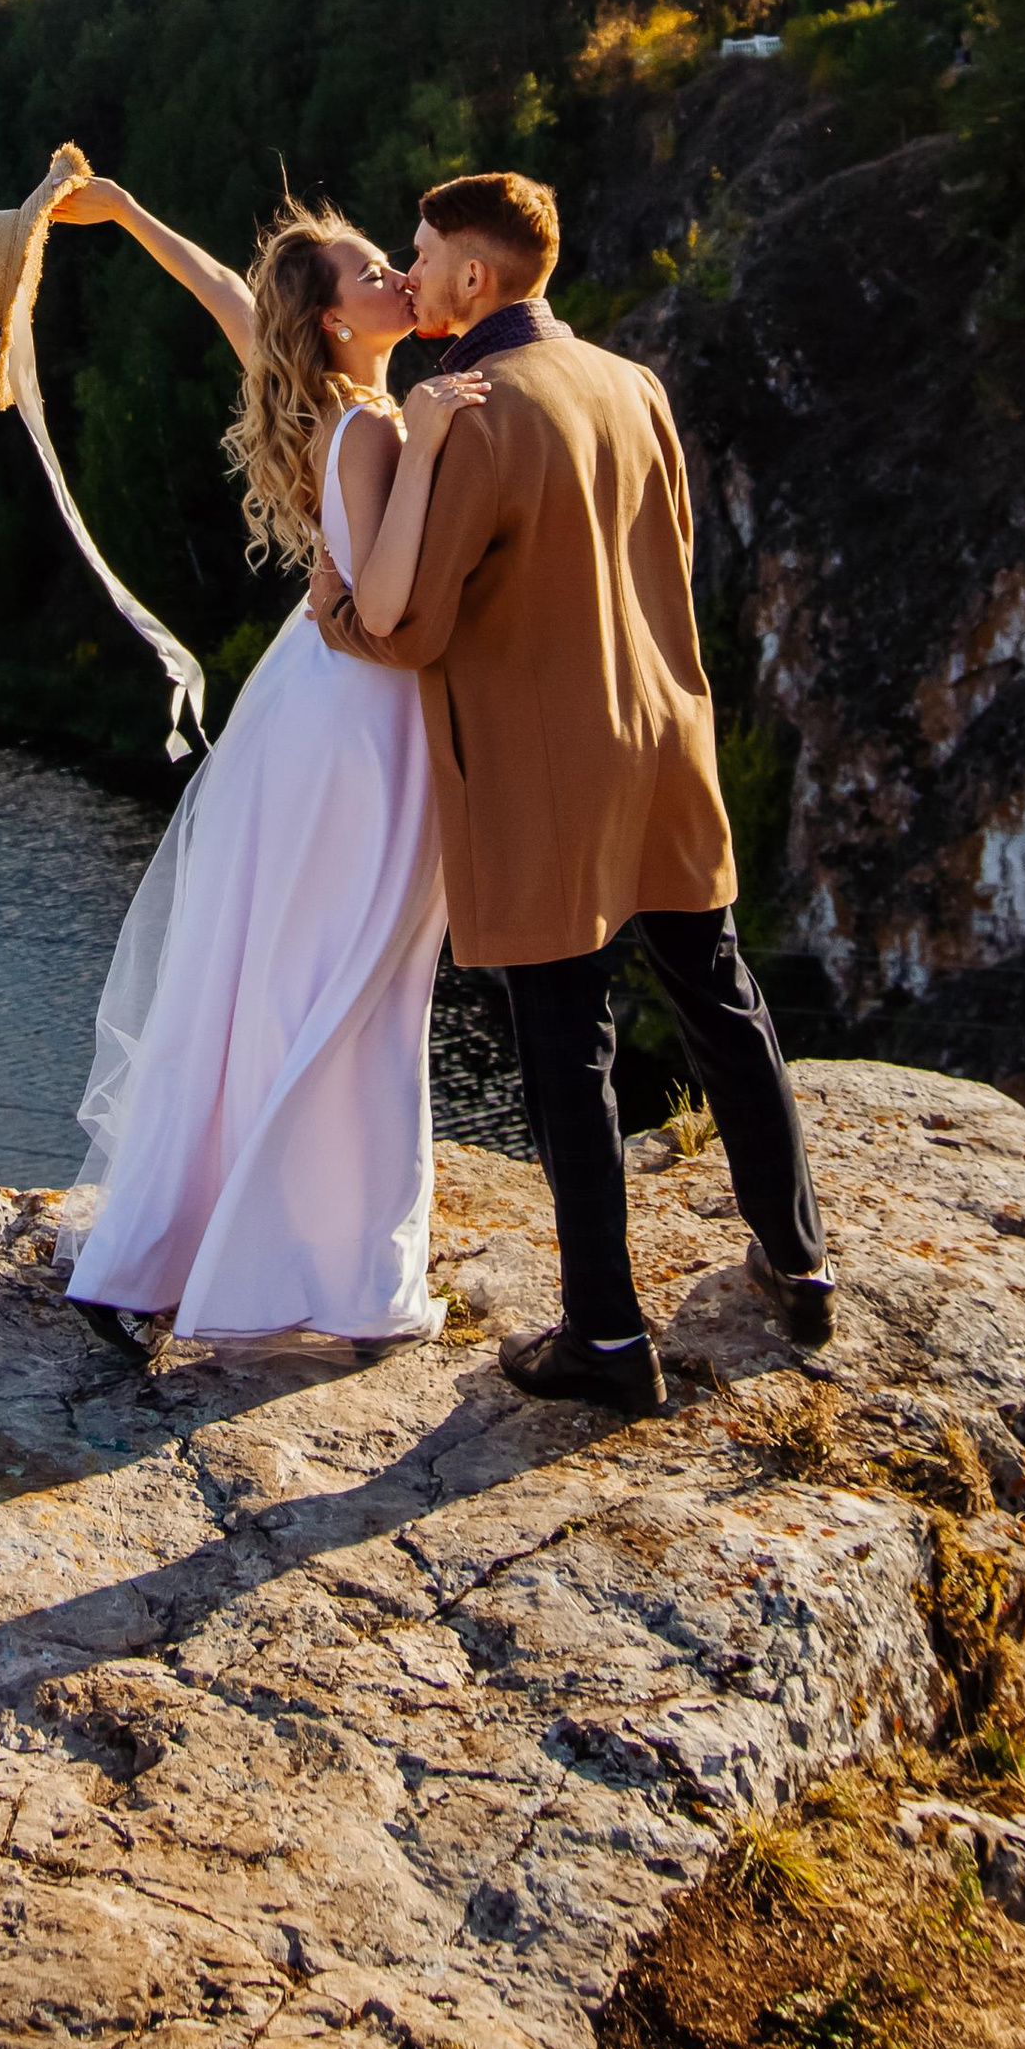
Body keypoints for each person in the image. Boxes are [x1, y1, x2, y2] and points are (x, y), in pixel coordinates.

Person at [311, 167, 835, 1417]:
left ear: (475, 279)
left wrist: (330, 604)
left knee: (565, 1049)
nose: (414, 269)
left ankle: (606, 1336)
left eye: (427, 252)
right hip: (662, 737)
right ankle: (801, 1262)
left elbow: (414, 625)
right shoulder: (630, 383)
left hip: (544, 772)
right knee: (721, 999)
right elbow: (673, 563)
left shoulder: (476, 414)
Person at [40, 171, 488, 1358]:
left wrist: (132, 215)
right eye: (370, 271)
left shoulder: (321, 393)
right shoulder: (382, 422)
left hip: (298, 714)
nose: (398, 270)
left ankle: (174, 1251)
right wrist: (437, 441)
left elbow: (229, 294)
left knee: (272, 979)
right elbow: (391, 612)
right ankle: (329, 1271)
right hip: (365, 722)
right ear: (338, 318)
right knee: (355, 990)